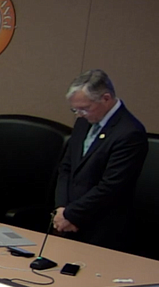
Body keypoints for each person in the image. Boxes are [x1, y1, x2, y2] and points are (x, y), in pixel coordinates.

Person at [54, 69, 147, 250]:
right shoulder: (83, 121)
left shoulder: (129, 132)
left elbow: (111, 187)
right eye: (75, 109)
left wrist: (72, 215)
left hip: (102, 228)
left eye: (84, 108)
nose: (79, 114)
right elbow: (66, 167)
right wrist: (61, 208)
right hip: (68, 218)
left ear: (106, 98)